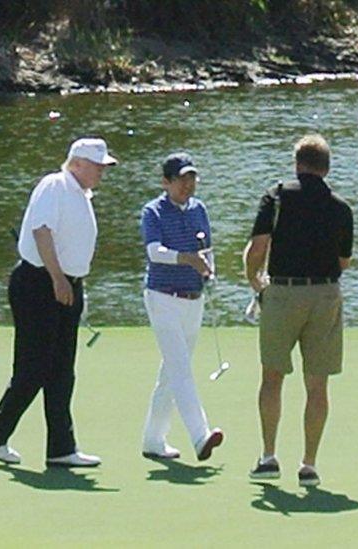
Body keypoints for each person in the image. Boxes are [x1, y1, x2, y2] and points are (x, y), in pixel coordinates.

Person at [0, 137, 117, 467]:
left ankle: (61, 448)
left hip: (66, 286)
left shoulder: (80, 194)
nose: (101, 173)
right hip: (39, 284)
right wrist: (57, 278)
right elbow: (41, 232)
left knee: (62, 371)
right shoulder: (55, 185)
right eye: (97, 167)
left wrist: (72, 282)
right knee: (34, 366)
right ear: (78, 163)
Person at [243, 134, 353, 487]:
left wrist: (254, 281)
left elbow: (258, 246)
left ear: (297, 164)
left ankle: (269, 456)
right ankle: (308, 464)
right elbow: (344, 260)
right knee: (317, 384)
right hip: (325, 295)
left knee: (272, 376)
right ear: (327, 167)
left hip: (283, 292)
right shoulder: (341, 207)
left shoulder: (276, 196)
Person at [139, 152, 223, 461]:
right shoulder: (154, 212)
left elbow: (206, 249)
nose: (187, 185)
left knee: (172, 371)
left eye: (191, 178)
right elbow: (154, 252)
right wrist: (186, 258)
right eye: (180, 179)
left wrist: (209, 271)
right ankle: (200, 435)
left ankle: (153, 439)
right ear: (166, 182)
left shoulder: (199, 209)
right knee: (181, 369)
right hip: (162, 297)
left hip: (193, 298)